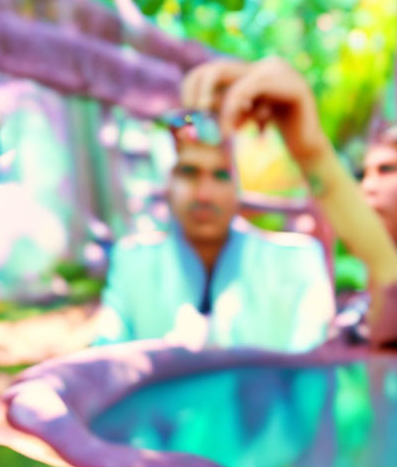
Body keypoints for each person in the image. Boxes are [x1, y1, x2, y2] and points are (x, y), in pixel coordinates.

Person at [181, 57, 397, 348]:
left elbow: (394, 286)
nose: (368, 187)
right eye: (362, 175)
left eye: (388, 170)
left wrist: (312, 153)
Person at [93, 109, 335, 352]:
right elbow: (105, 355)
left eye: (221, 175)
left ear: (238, 185)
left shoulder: (294, 261)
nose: (204, 194)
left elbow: (310, 362)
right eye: (188, 173)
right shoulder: (133, 262)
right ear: (167, 184)